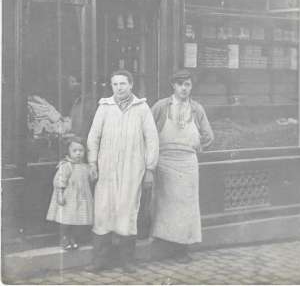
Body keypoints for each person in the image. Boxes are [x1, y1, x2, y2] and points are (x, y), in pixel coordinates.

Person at [87, 70, 159, 273]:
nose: (119, 88)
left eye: (123, 84)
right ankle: (99, 260)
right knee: (103, 210)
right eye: (115, 84)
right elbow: (94, 137)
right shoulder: (105, 107)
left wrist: (150, 168)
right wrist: (93, 163)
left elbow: (152, 140)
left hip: (132, 167)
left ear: (131, 85)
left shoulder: (142, 108)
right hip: (107, 168)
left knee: (127, 211)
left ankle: (127, 260)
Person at [151, 69, 214, 263]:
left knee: (186, 206)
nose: (184, 89)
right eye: (180, 84)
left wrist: (198, 145)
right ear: (173, 86)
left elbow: (209, 136)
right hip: (165, 161)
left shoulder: (197, 109)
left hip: (187, 162)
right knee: (165, 204)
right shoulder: (161, 106)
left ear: (191, 87)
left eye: (187, 85)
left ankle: (182, 249)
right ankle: (165, 247)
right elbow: (147, 131)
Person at [46, 136, 95, 250]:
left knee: (77, 219)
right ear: (68, 151)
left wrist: (93, 171)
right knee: (67, 219)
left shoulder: (85, 166)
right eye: (75, 151)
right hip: (69, 197)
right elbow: (59, 181)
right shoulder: (66, 166)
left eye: (81, 151)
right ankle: (64, 237)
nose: (78, 153)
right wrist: (60, 194)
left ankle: (73, 237)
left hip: (82, 198)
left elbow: (91, 179)